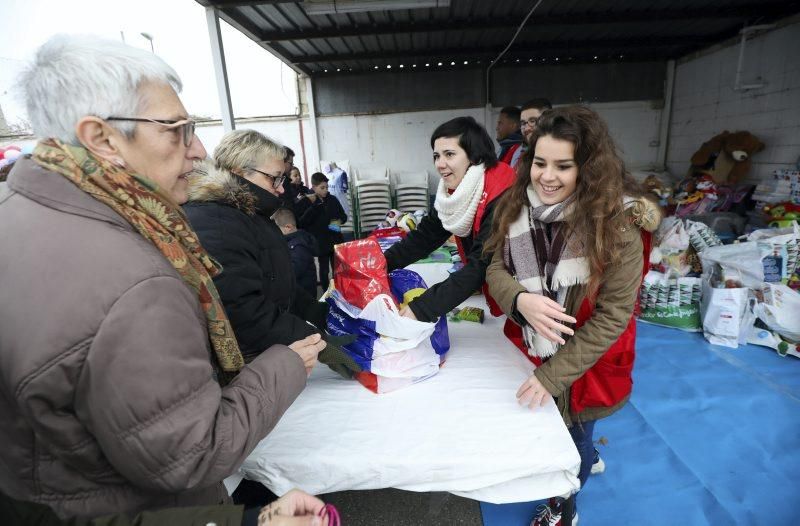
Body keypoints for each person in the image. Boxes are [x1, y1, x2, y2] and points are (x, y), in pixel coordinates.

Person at [0, 34, 327, 522]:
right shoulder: (135, 279)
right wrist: (281, 368)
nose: (197, 150)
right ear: (102, 139)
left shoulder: (20, 209)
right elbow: (189, 454)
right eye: (176, 129)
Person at [484, 106, 660, 526]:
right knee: (552, 424)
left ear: (588, 168)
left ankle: (566, 503)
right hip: (534, 347)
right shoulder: (516, 207)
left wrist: (552, 376)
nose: (547, 176)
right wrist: (520, 301)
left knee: (574, 433)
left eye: (563, 166)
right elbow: (494, 268)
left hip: (588, 362)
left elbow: (613, 316)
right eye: (540, 163)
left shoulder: (617, 225)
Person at [184, 131, 329, 359]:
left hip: (268, 355)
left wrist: (326, 315)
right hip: (248, 366)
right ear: (240, 173)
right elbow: (243, 311)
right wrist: (320, 343)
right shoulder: (218, 221)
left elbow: (280, 286)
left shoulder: (252, 215)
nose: (281, 188)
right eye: (275, 178)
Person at [383, 116, 515, 322]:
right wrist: (380, 265)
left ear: (474, 156)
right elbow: (425, 236)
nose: (440, 164)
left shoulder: (502, 193)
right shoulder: (452, 191)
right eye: (436, 156)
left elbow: (481, 264)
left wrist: (421, 308)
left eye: (449, 154)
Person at [295, 172, 347, 289]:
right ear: (314, 187)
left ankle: (340, 291)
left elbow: (344, 216)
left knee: (338, 269)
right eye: (322, 188)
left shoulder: (333, 199)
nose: (325, 190)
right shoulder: (308, 202)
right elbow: (302, 223)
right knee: (324, 271)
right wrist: (313, 208)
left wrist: (338, 221)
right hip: (320, 243)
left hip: (335, 240)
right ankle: (326, 293)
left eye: (327, 187)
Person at [275, 207, 320, 298]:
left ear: (288, 227)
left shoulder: (297, 246)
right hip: (302, 292)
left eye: (278, 229)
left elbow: (294, 272)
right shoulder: (295, 241)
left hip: (303, 295)